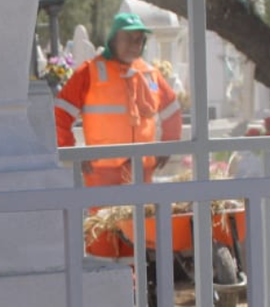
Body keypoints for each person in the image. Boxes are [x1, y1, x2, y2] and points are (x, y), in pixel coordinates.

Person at [54, 11, 183, 188]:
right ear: (113, 40)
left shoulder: (150, 74)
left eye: (139, 39)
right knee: (104, 216)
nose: (134, 44)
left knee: (143, 216)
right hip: (103, 172)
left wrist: (169, 144)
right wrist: (72, 152)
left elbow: (172, 110)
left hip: (142, 170)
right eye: (128, 38)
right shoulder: (88, 72)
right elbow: (60, 113)